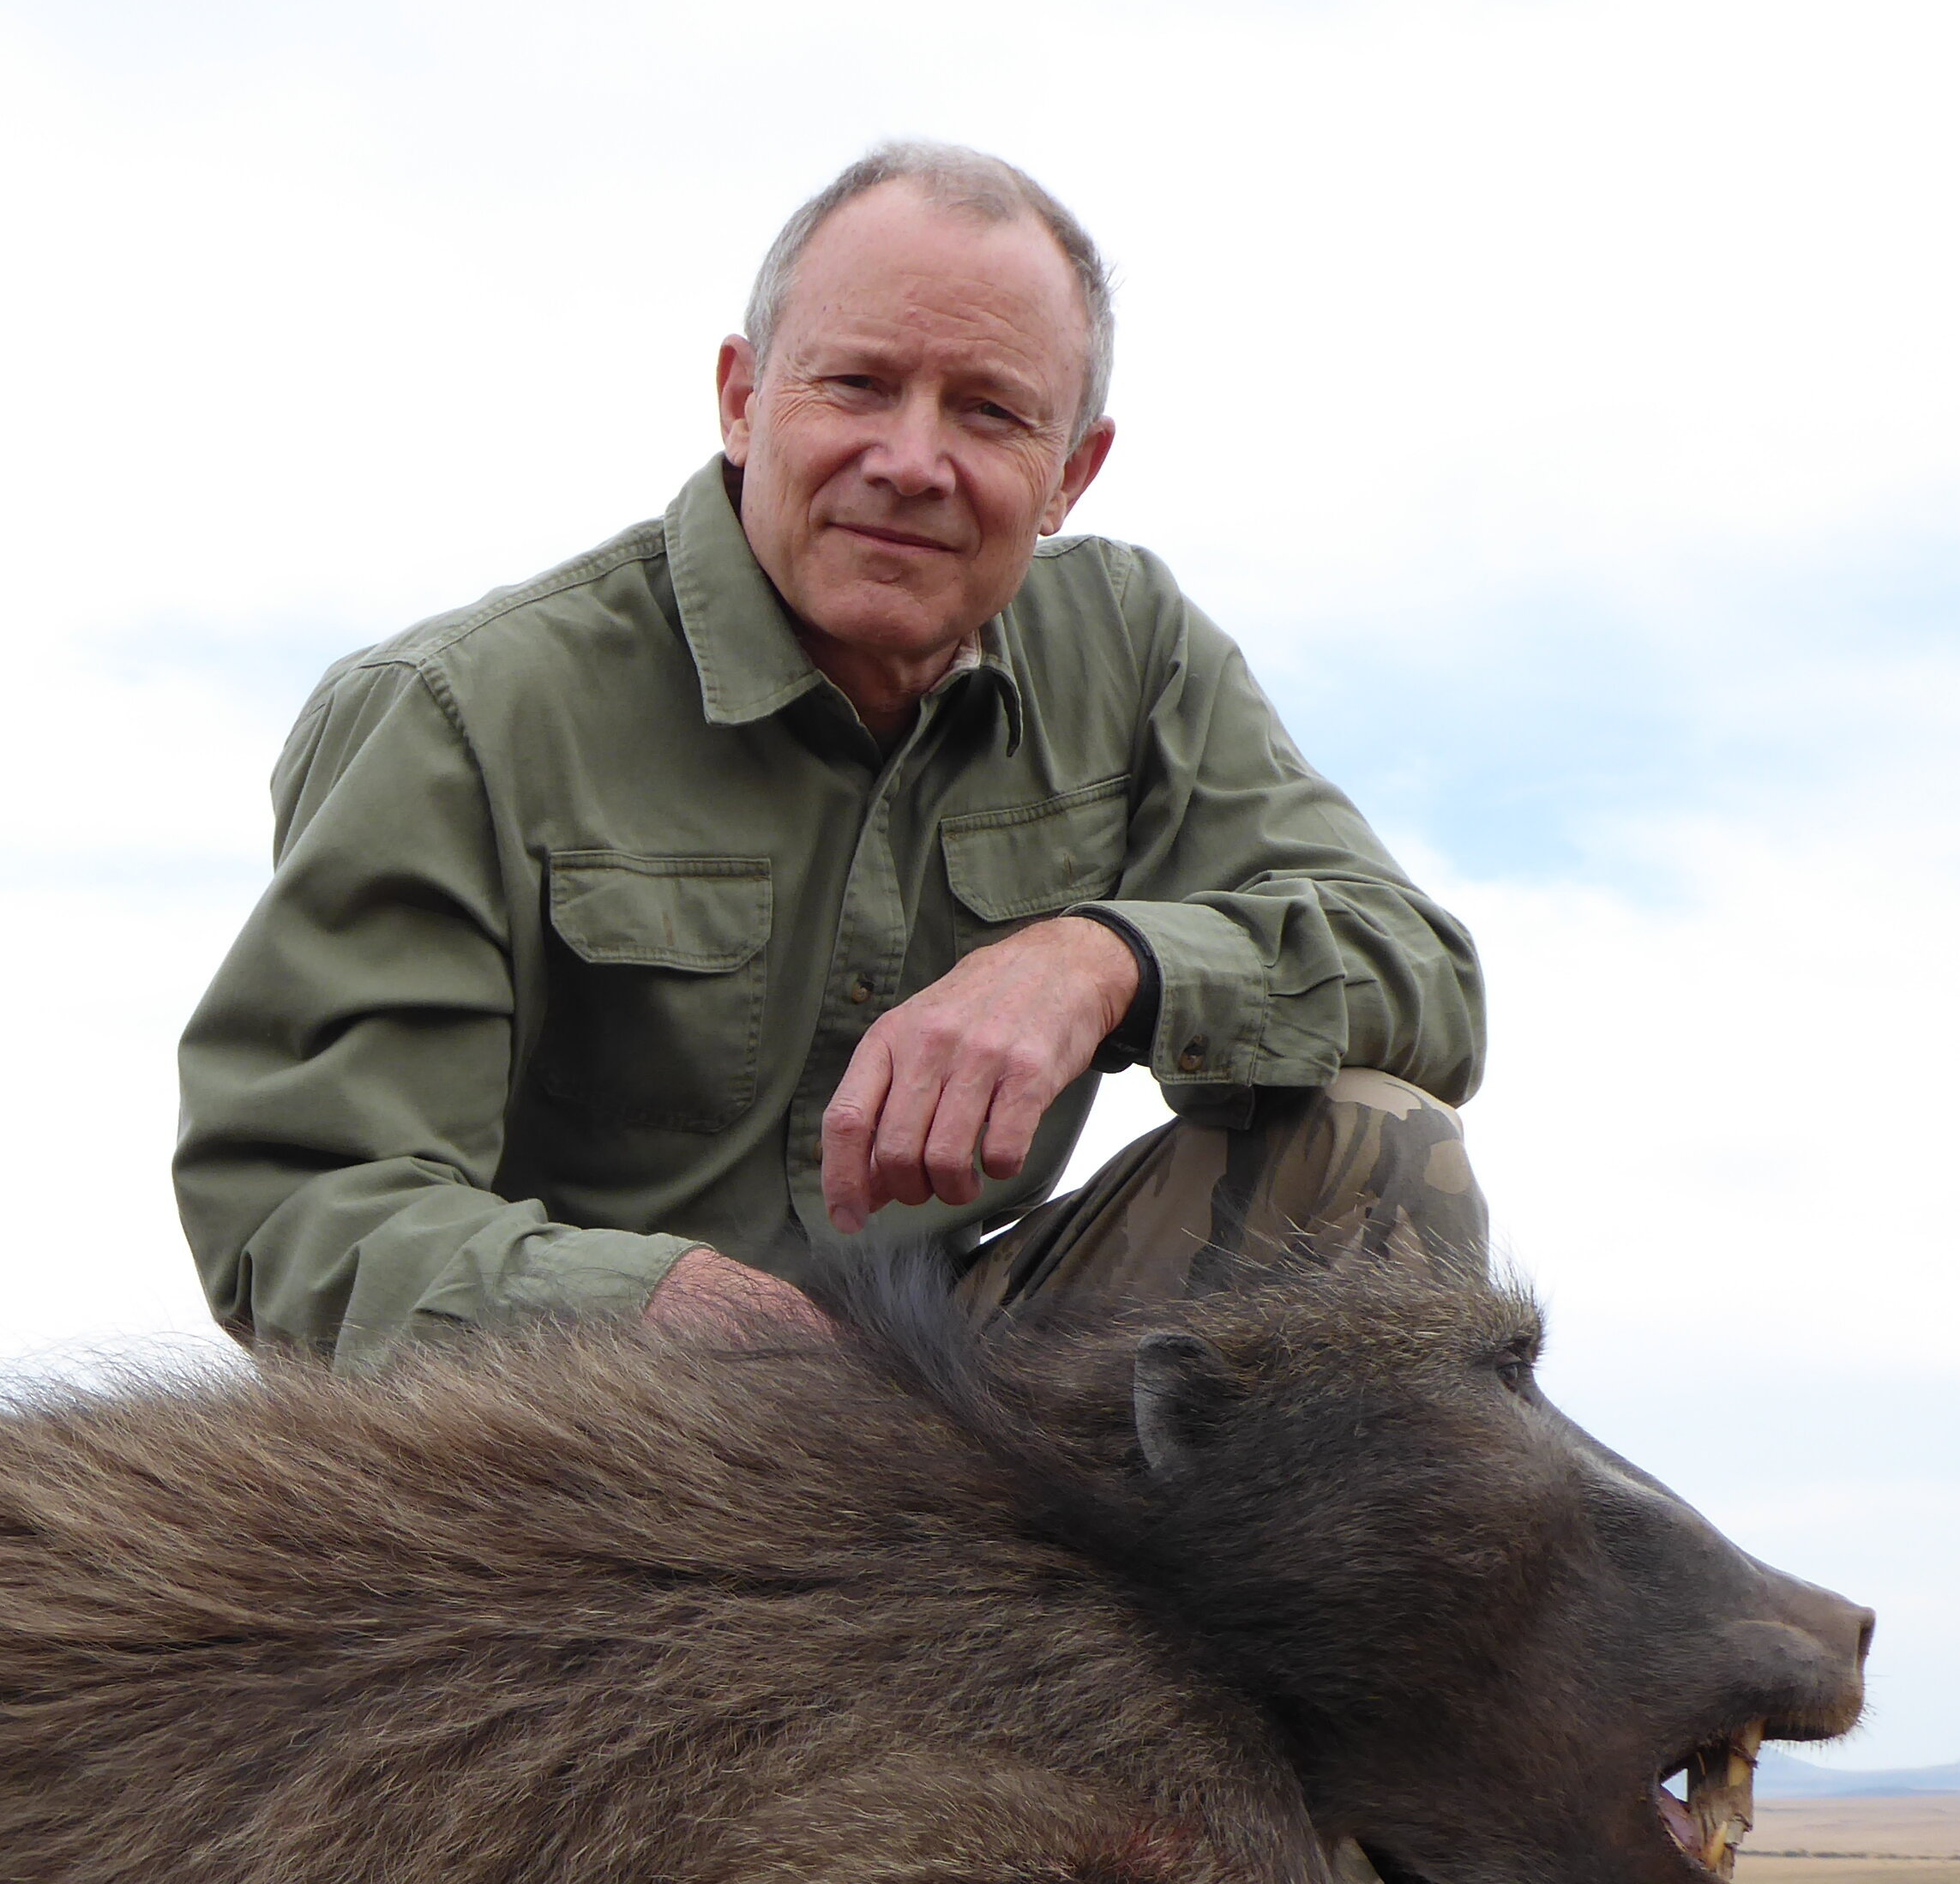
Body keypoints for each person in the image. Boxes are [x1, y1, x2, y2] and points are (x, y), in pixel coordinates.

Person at [176, 141, 1487, 1367]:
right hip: (573, 1421)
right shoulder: (456, 713)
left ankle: (1332, 1621)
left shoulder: (1133, 649)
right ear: (745, 401)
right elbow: (301, 1206)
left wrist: (1104, 963)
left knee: (1374, 1139)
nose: (911, 462)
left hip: (956, 1371)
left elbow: (1420, 974)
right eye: (858, 384)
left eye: (988, 413)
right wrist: (668, 1311)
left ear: (1071, 474)